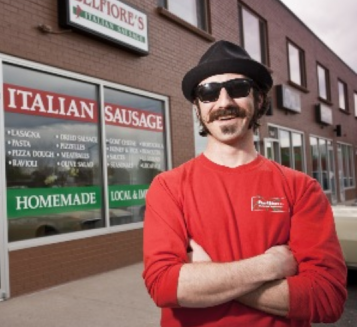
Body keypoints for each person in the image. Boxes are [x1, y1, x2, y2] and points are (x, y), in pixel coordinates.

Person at [142, 40, 347, 327]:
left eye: (238, 89)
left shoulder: (301, 189)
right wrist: (270, 266)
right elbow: (163, 286)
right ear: (198, 107)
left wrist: (206, 276)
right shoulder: (168, 187)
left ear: (259, 100)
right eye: (209, 93)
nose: (224, 102)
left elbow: (326, 298)